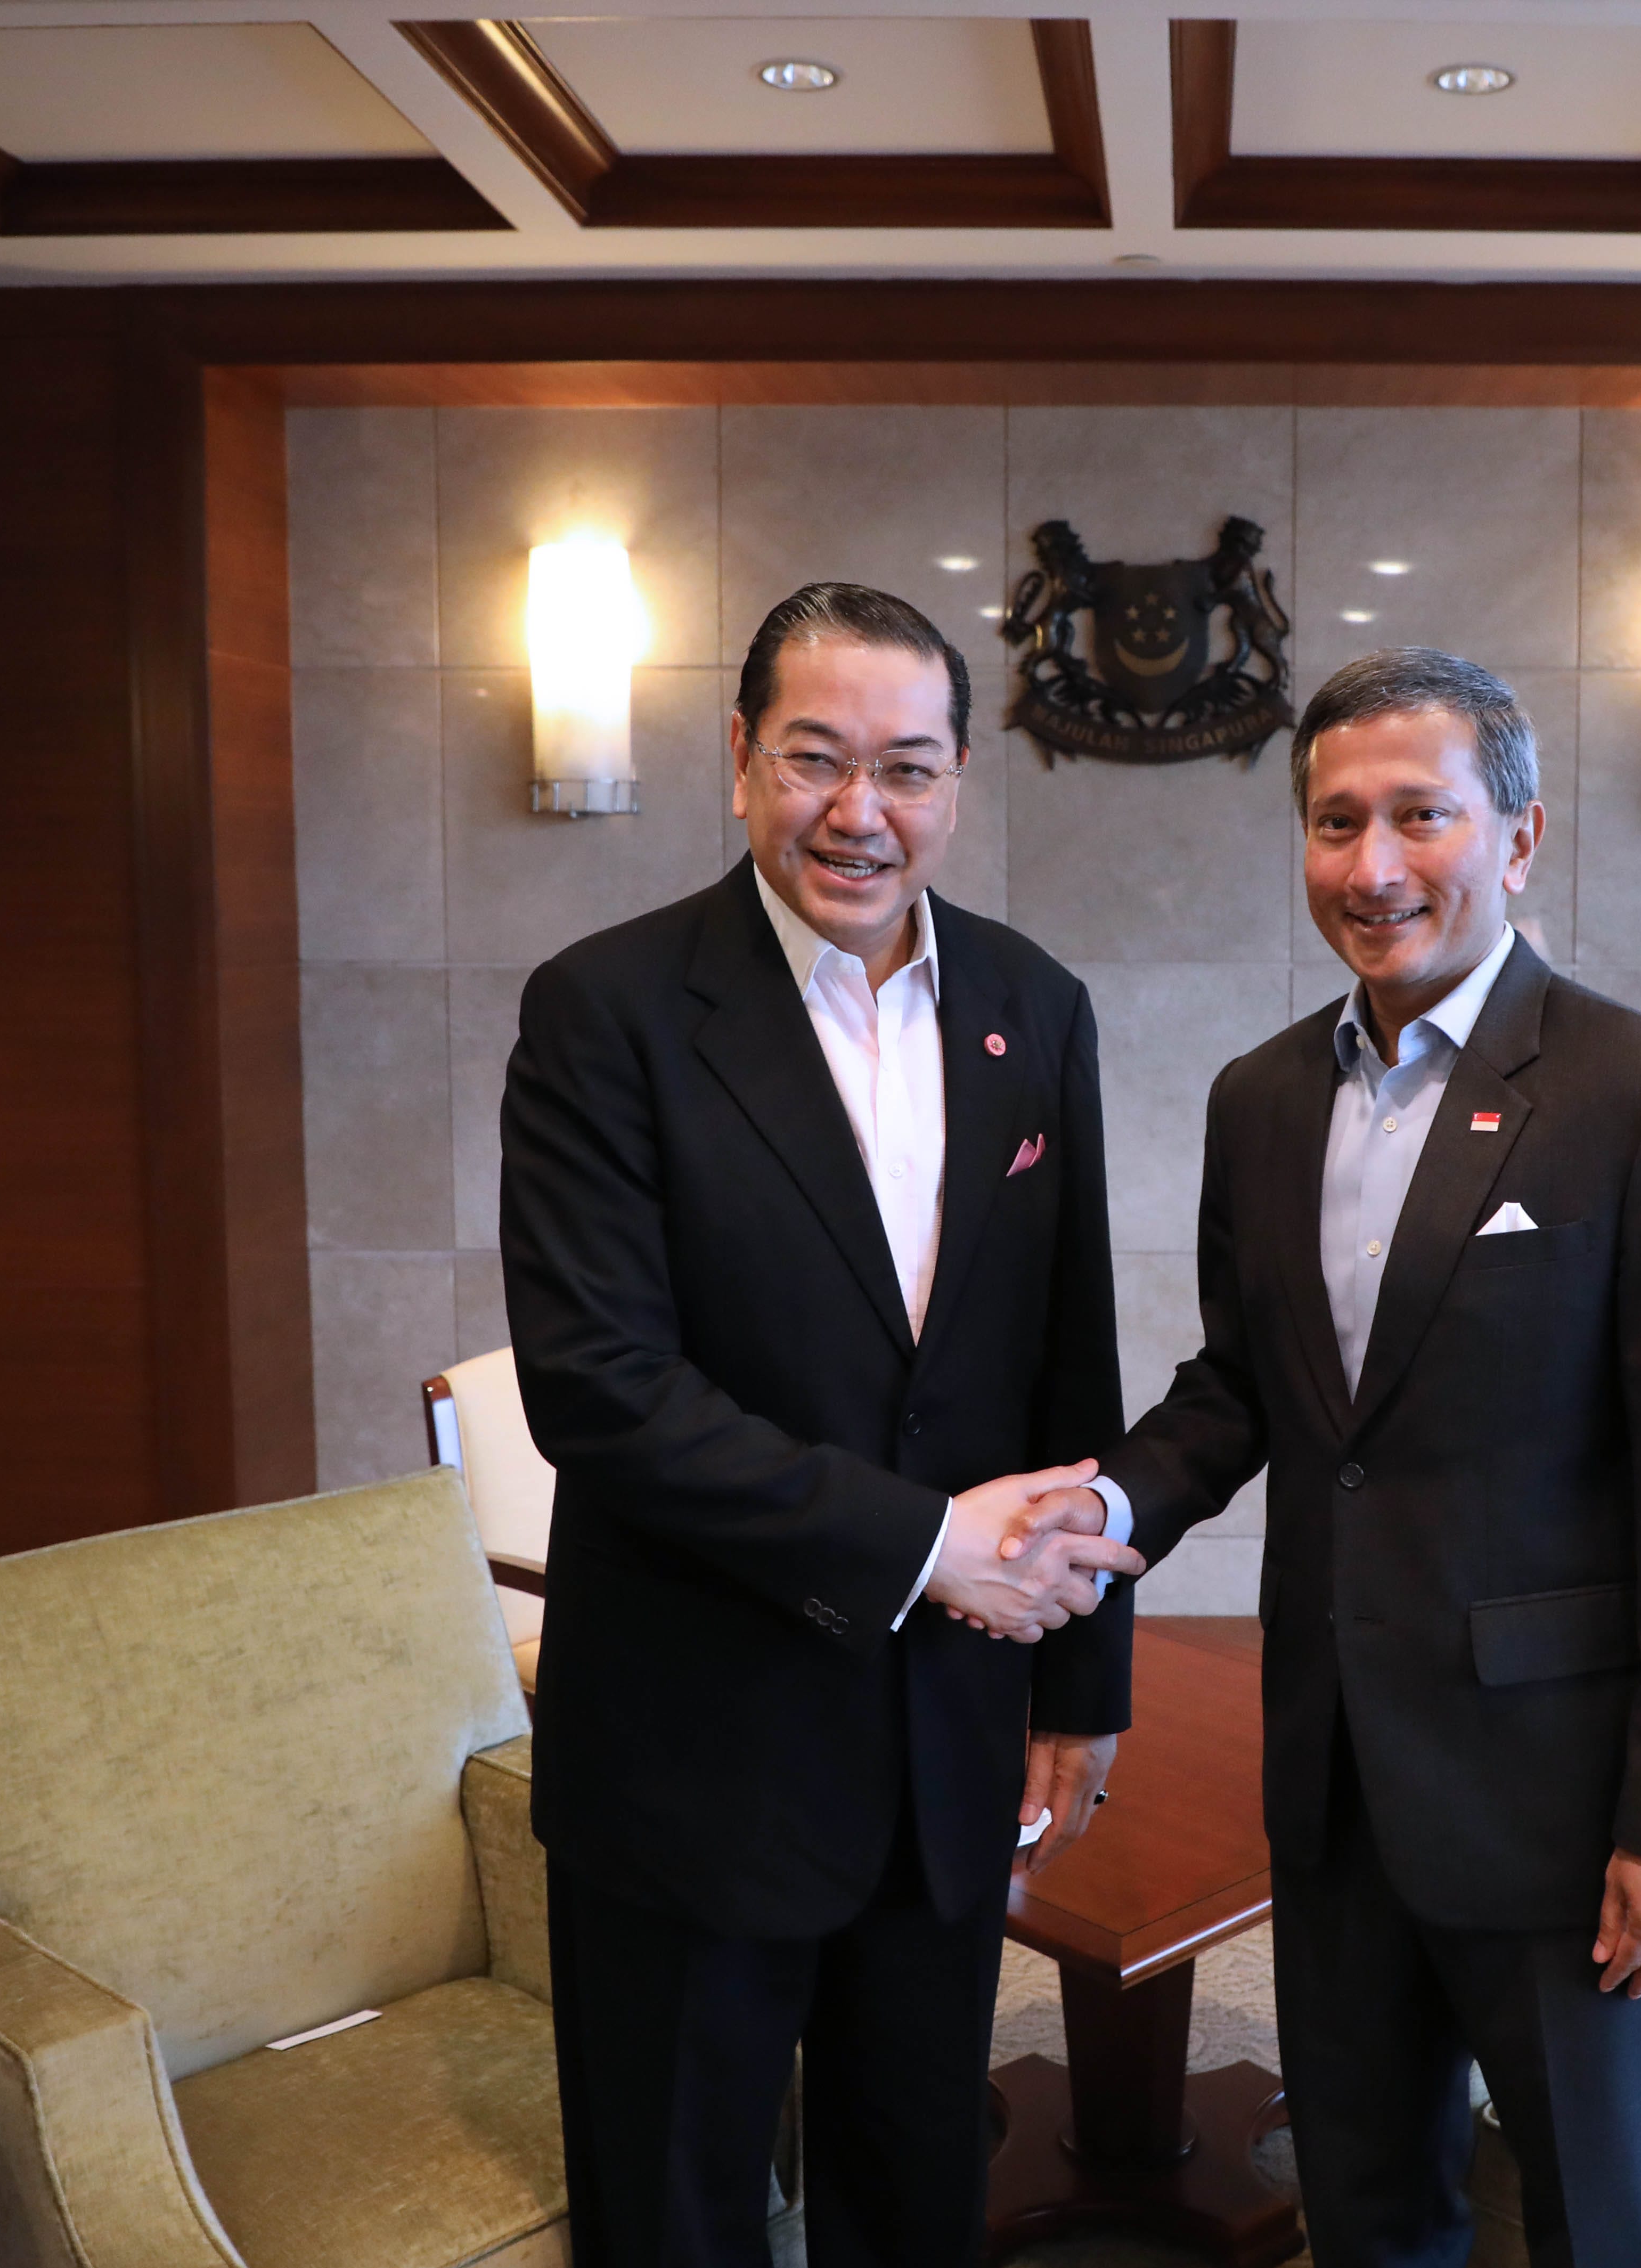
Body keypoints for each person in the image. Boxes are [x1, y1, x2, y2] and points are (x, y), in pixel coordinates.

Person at [1022, 646, 1641, 2266]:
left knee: (1604, 2224)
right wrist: (1106, 1501)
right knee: (1365, 2211)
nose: (1372, 868)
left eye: (1418, 816)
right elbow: (1249, 1387)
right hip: (1340, 1774)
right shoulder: (1263, 1098)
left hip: (1565, 1801)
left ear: (1517, 836)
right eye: (1334, 821)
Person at [499, 581, 1144, 2267]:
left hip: (943, 1743)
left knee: (915, 2180)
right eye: (814, 759)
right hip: (693, 1735)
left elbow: (1067, 1364)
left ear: (956, 785)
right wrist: (935, 1549)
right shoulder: (609, 1010)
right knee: (678, 2206)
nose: (861, 812)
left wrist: (1081, 1681)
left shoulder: (1034, 1005)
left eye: (908, 768)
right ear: (738, 760)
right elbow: (599, 1385)